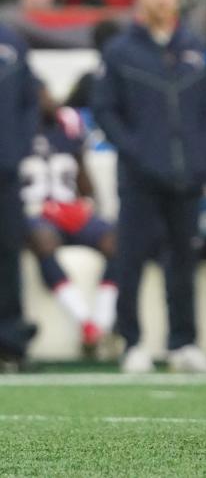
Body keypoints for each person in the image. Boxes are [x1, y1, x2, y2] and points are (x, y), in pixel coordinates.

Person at [92, 0, 206, 374]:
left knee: (184, 261)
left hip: (187, 177)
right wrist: (137, 153)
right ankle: (130, 341)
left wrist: (202, 160)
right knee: (130, 260)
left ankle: (183, 342)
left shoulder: (193, 49)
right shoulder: (119, 52)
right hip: (139, 178)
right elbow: (106, 111)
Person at [20, 85, 121, 351]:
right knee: (43, 240)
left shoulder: (66, 129)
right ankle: (84, 320)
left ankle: (103, 321)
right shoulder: (15, 130)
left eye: (49, 92)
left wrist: (88, 204)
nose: (50, 99)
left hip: (69, 210)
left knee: (117, 240)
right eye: (41, 94)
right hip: (34, 212)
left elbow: (82, 174)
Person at [0, 22, 39, 369]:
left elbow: (30, 99)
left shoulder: (12, 40)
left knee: (8, 254)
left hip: (5, 171)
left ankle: (9, 344)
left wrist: (17, 147)